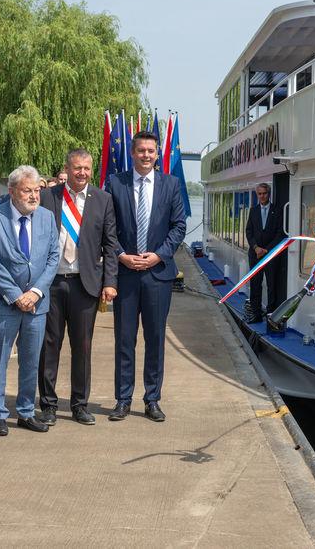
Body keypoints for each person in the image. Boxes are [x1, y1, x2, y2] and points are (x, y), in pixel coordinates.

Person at [105, 131, 185, 423]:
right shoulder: (116, 183)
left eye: (151, 151)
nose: (146, 155)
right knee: (124, 340)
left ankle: (152, 399)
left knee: (155, 340)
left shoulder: (171, 184)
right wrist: (121, 254)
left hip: (157, 275)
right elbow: (107, 228)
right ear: (133, 152)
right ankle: (122, 400)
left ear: (157, 153)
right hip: (125, 274)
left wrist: (158, 255)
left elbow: (178, 227)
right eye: (141, 150)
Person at [38, 149, 118, 426]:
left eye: (86, 168)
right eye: (76, 168)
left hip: (86, 285)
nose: (81, 173)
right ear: (67, 168)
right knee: (49, 345)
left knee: (82, 347)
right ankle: (47, 405)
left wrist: (110, 282)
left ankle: (79, 405)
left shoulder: (103, 200)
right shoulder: (48, 197)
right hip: (52, 283)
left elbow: (110, 245)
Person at [0, 165, 59, 435]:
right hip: (5, 303)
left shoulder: (47, 217)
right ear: (13, 191)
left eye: (37, 190)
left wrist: (35, 292)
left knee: (31, 359)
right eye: (28, 190)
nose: (34, 196)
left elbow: (53, 257)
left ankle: (26, 411)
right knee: (0, 358)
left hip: (37, 303)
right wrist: (16, 295)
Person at [244, 182, 283, 322]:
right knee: (256, 284)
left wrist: (267, 249)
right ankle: (256, 314)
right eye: (259, 194)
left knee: (272, 284)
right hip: (255, 254)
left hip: (270, 254)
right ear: (257, 195)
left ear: (269, 194)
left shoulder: (277, 210)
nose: (262, 196)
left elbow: (280, 233)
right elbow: (249, 232)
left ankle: (271, 315)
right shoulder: (253, 210)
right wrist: (255, 248)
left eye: (264, 193)